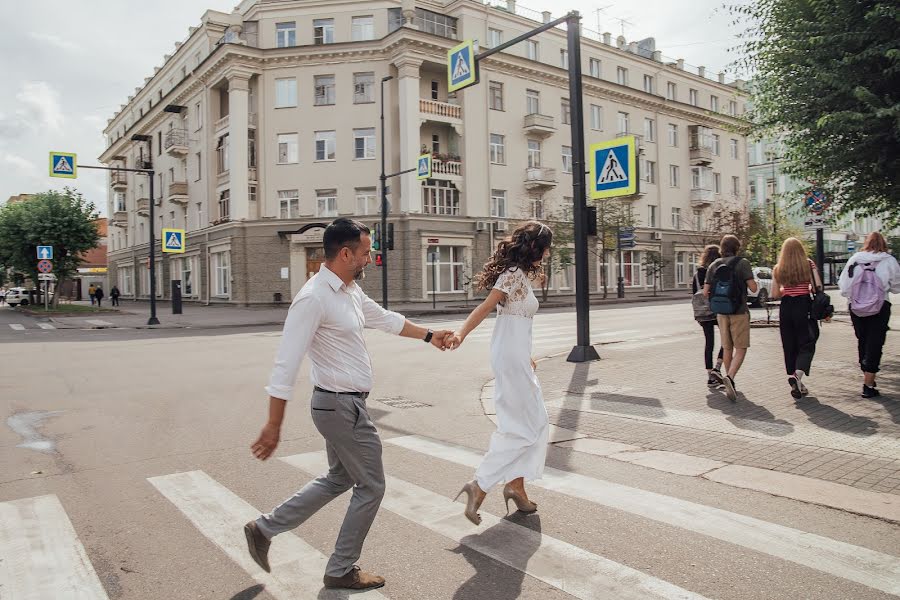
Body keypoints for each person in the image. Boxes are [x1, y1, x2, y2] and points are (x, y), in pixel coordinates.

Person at [244, 218, 452, 591]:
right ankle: (341, 568)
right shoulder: (313, 298)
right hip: (340, 407)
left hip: (342, 405)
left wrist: (431, 336)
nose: (370, 258)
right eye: (365, 252)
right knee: (371, 486)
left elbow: (385, 320)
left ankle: (264, 528)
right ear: (345, 253)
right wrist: (273, 425)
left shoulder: (348, 291)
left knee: (339, 477)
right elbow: (285, 365)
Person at [446, 221, 552, 525]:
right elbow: (485, 307)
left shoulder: (520, 277)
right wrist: (461, 334)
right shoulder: (512, 276)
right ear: (535, 248)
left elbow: (515, 322)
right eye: (544, 248)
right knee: (527, 425)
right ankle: (479, 486)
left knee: (524, 423)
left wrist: (525, 355)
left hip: (515, 357)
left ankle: (516, 486)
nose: (546, 254)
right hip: (510, 359)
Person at [839, 232, 900, 398]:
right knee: (875, 343)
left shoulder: (855, 259)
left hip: (856, 307)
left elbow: (844, 287)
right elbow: (896, 286)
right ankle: (868, 384)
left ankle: (867, 374)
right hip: (880, 306)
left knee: (863, 340)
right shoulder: (889, 261)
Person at [704, 234, 758, 401]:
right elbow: (754, 289)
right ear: (737, 248)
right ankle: (731, 377)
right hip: (739, 311)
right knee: (741, 348)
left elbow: (705, 292)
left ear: (722, 248)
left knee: (727, 348)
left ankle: (730, 380)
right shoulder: (742, 263)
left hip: (721, 312)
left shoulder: (714, 265)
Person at [772, 238, 822, 399]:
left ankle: (797, 381)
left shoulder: (778, 268)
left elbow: (775, 294)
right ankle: (797, 375)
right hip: (804, 305)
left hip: (786, 307)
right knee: (808, 341)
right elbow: (817, 286)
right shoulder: (808, 264)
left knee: (790, 343)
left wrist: (785, 288)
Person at [693, 245, 725, 386]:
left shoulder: (697, 274)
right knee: (727, 340)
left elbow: (694, 292)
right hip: (718, 309)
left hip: (703, 312)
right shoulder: (718, 270)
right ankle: (717, 368)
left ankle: (710, 376)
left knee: (709, 343)